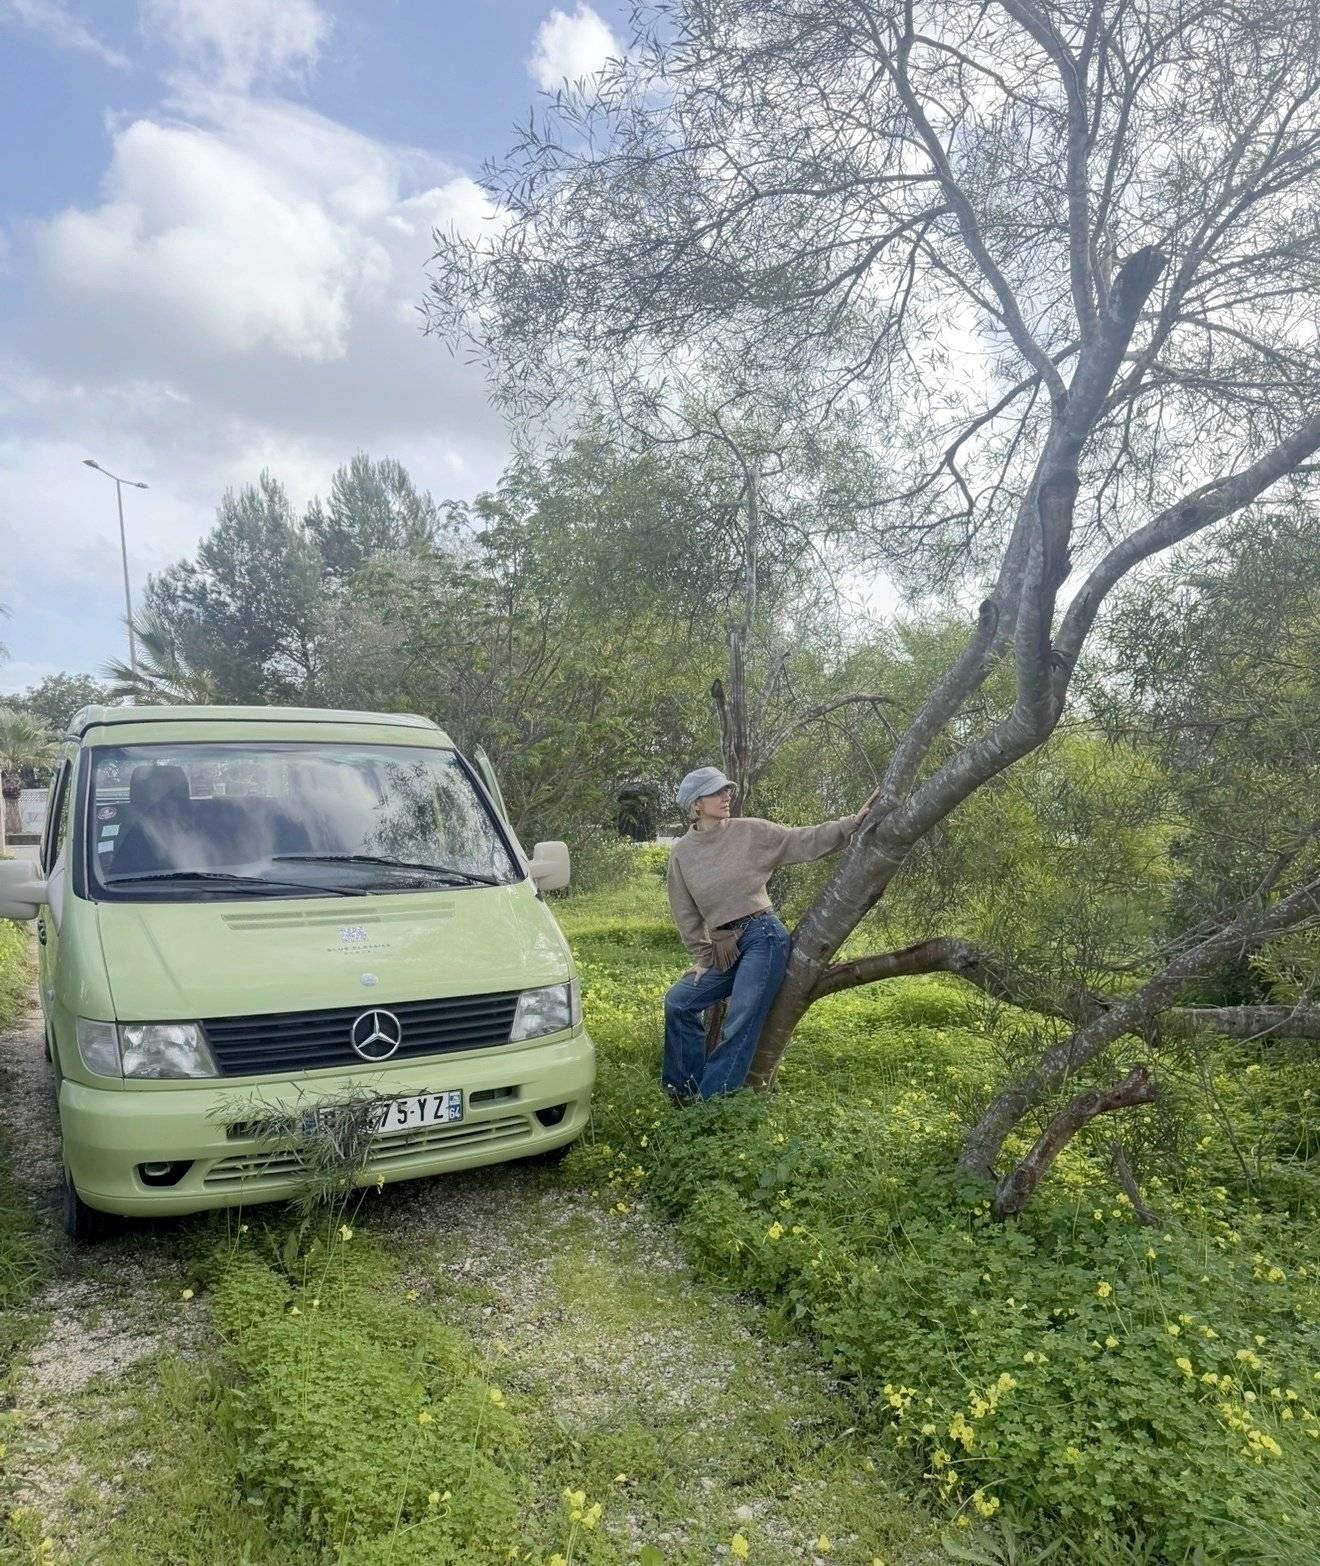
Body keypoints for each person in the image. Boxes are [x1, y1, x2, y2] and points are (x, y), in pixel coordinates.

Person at [662, 766, 879, 1102]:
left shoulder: (749, 832)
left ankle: (709, 1105)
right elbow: (685, 912)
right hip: (725, 947)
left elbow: (801, 839)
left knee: (740, 1020)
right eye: (716, 792)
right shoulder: (682, 854)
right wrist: (704, 957)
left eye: (727, 790)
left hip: (763, 936)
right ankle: (682, 1091)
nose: (726, 796)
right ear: (696, 804)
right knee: (679, 1002)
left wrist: (851, 823)